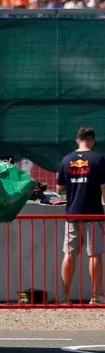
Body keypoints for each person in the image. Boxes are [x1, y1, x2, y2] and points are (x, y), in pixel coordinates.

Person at [56, 126, 105, 304]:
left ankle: (65, 296)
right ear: (92, 140)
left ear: (77, 140)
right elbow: (104, 189)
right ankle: (96, 296)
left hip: (72, 214)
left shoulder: (66, 159)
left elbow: (59, 187)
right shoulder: (98, 159)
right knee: (95, 255)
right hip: (94, 215)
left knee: (69, 254)